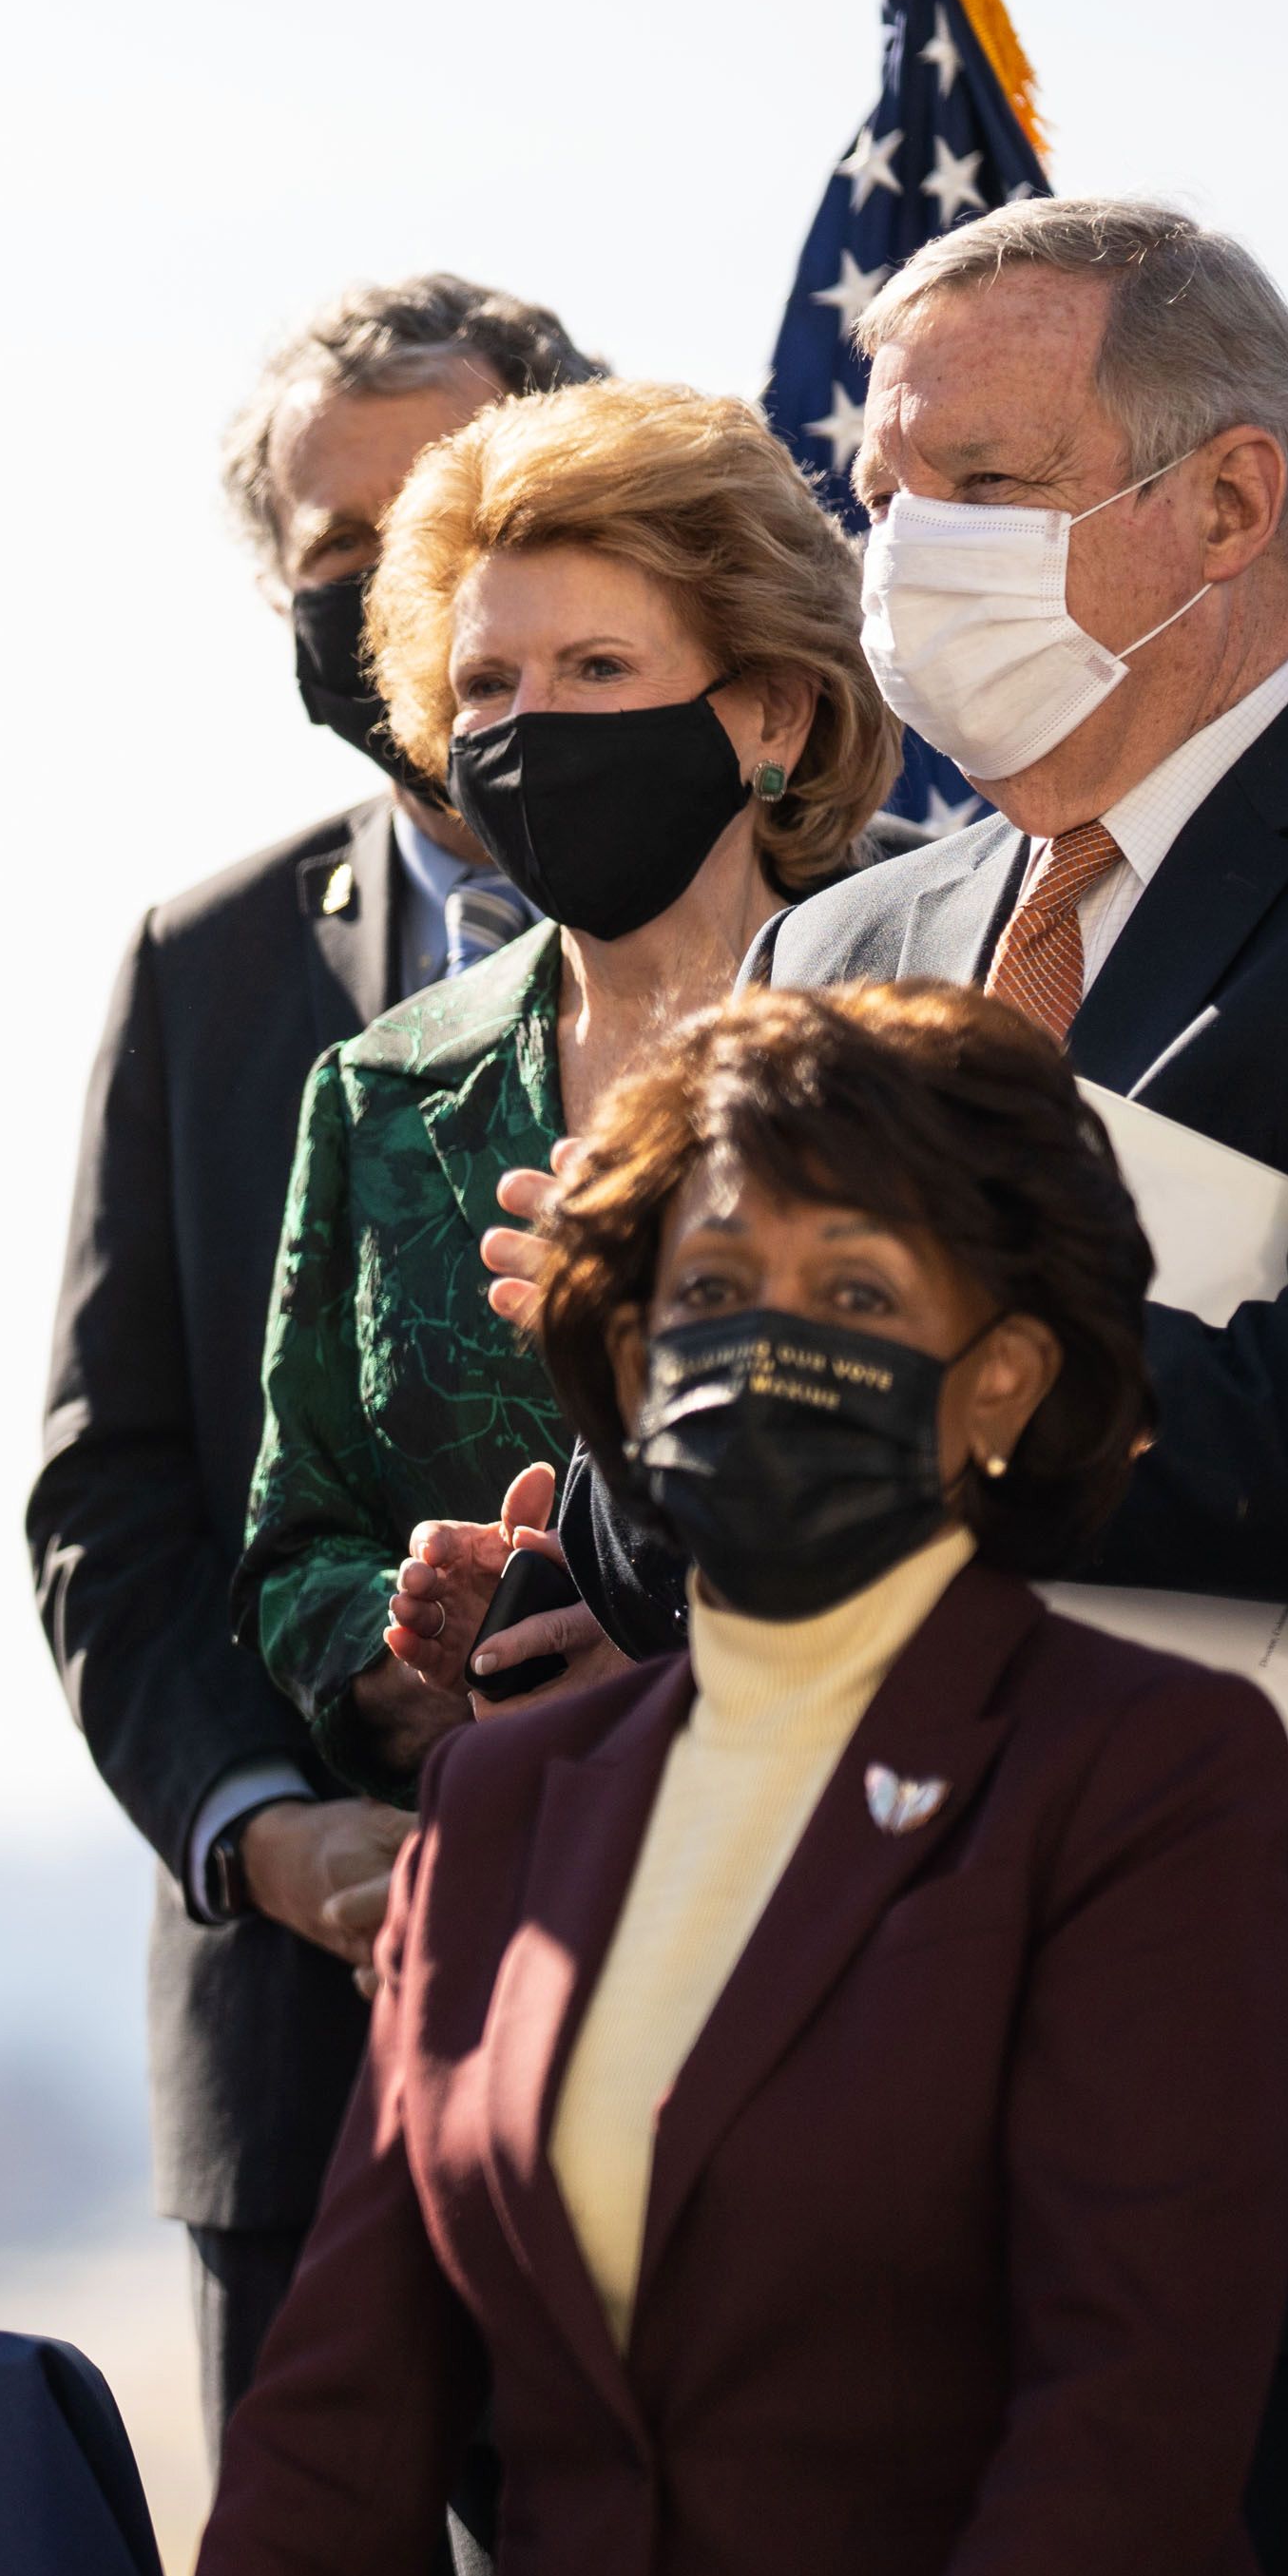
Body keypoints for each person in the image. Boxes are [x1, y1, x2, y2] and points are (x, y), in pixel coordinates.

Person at [441, 197, 1288, 2576]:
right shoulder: (847, 925)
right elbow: (657, 1500)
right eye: (882, 495)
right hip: (832, 2137)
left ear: (1221, 498)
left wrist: (873, 1388)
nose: (904, 561)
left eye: (978, 489)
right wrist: (632, 1417)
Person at [73, 978, 1288, 2576]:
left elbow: (1133, 2404)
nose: (766, 1341)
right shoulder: (509, 1804)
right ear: (622, 1351)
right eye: (711, 1287)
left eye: (858, 1290)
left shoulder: (1137, 1773)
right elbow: (345, 2421)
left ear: (1006, 1379)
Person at [25, 270, 600, 2576]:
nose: (385, 588)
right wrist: (274, 1838)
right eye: (324, 550)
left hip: (715, 2057)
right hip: (311, 2055)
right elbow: (104, 1512)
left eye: (450, 520)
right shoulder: (211, 962)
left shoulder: (849, 926)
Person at [235, 385, 892, 1807]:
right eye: (486, 687)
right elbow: (295, 1547)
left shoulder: (914, 1033)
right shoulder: (383, 1092)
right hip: (508, 1893)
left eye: (597, 669)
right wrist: (431, 1634)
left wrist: (647, 1617)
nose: (530, 731)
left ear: (772, 708)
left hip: (863, 1864)